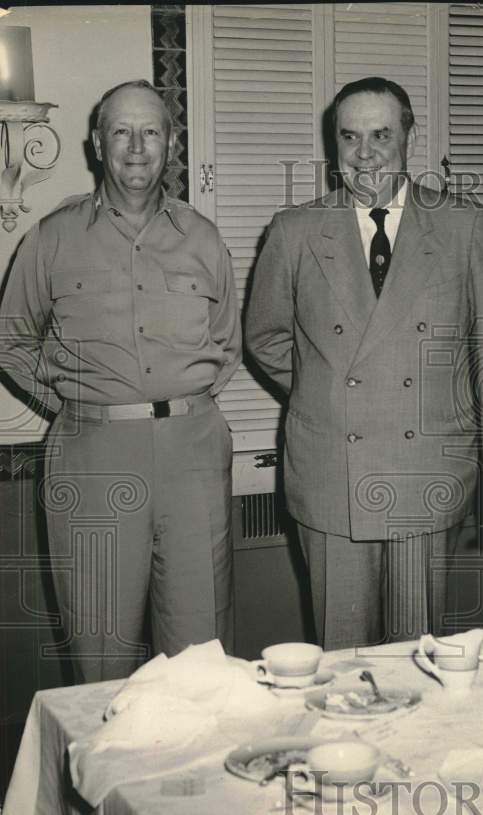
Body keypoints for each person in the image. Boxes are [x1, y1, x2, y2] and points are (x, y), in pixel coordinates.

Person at [246, 77, 483, 649]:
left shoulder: (461, 225)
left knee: (416, 653)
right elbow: (266, 337)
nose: (365, 153)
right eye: (350, 137)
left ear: (410, 139)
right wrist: (330, 389)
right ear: (334, 144)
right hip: (332, 474)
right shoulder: (295, 231)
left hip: (424, 467)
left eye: (381, 135)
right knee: (342, 655)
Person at [0, 80, 240, 682]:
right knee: (101, 655)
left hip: (193, 455)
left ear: (171, 143)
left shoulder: (203, 237)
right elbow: (11, 340)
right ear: (97, 143)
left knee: (202, 662)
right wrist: (78, 400)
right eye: (121, 132)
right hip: (93, 457)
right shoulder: (51, 238)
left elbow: (227, 344)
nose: (137, 147)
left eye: (151, 131)